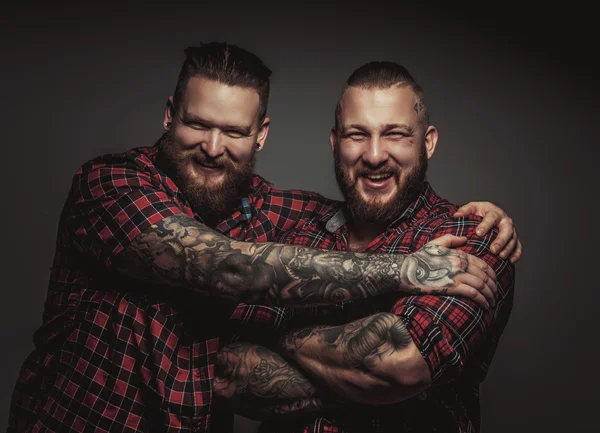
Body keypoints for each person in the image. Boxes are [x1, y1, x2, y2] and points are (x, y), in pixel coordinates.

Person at [7, 43, 518, 433]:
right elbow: (228, 280)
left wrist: (488, 219)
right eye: (197, 124)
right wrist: (409, 270)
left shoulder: (277, 214)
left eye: (233, 131)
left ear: (260, 135)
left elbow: (394, 359)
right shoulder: (111, 183)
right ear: (169, 117)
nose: (212, 147)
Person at [214, 61, 516, 433]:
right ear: (335, 142)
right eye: (357, 134)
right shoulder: (298, 231)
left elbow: (399, 366)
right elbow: (228, 368)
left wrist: (280, 339)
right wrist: (370, 390)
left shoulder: (474, 235)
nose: (374, 155)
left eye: (395, 134)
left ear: (428, 142)